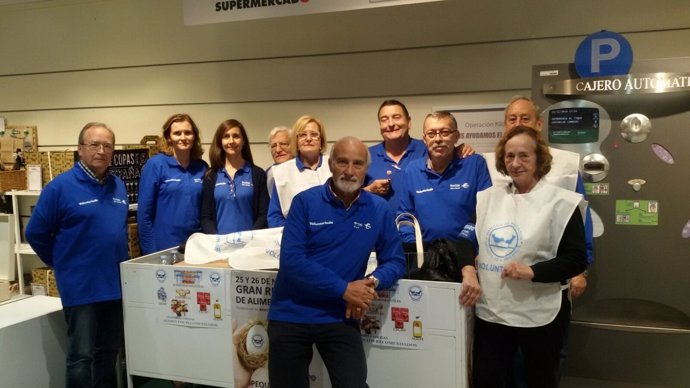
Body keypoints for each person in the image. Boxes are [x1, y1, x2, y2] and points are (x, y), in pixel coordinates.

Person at [267, 136, 406, 388]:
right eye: (343, 162)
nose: (350, 171)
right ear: (330, 164)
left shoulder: (378, 209)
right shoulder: (305, 202)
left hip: (340, 315)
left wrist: (369, 283)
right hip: (291, 312)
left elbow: (395, 261)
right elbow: (292, 261)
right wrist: (344, 289)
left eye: (358, 164)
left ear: (366, 169)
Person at [472, 125, 588, 388]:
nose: (515, 163)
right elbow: (467, 237)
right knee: (488, 378)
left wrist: (534, 272)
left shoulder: (561, 202)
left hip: (539, 312)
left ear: (539, 160)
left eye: (524, 156)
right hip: (493, 311)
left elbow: (576, 258)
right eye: (509, 156)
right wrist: (470, 267)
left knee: (538, 379)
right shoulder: (489, 198)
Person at [25, 122, 129, 388]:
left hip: (114, 286)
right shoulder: (59, 188)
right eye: (94, 144)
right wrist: (62, 263)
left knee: (108, 352)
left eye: (107, 145)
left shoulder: (118, 186)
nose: (101, 150)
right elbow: (35, 233)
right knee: (80, 357)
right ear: (80, 149)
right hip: (80, 287)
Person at [397, 111, 489, 306]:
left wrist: (467, 256)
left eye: (444, 132)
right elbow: (405, 217)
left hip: (468, 262)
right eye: (431, 134)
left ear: (456, 136)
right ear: (424, 138)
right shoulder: (412, 170)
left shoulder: (475, 164)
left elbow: (485, 211)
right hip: (428, 263)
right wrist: (417, 255)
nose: (438, 139)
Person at [364, 99, 474, 214]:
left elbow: (448, 152)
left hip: (419, 229)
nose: (391, 124)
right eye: (384, 119)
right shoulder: (366, 156)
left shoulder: (428, 149)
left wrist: (460, 149)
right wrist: (369, 190)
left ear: (409, 122)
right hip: (378, 229)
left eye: (396, 117)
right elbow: (347, 199)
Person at [137, 113, 208, 255]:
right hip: (164, 248)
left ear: (194, 136)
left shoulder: (202, 167)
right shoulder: (155, 165)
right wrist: (150, 253)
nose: (183, 137)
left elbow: (207, 211)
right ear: (169, 137)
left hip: (196, 247)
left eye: (188, 133)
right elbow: (144, 215)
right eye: (177, 133)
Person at [200, 119, 269, 234]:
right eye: (226, 136)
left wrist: (249, 238)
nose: (231, 141)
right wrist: (218, 240)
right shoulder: (211, 175)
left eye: (236, 136)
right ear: (220, 142)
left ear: (243, 141)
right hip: (219, 246)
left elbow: (263, 214)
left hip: (250, 246)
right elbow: (205, 216)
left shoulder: (258, 174)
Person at [267, 115, 331, 227]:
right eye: (302, 135)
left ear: (321, 140)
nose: (308, 138)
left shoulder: (335, 165)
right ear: (295, 141)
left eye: (314, 134)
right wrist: (294, 234)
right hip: (297, 238)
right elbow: (274, 217)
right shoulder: (281, 172)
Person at [265, 126, 293, 196]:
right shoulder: (267, 174)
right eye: (273, 146)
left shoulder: (304, 170)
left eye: (283, 144)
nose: (278, 150)